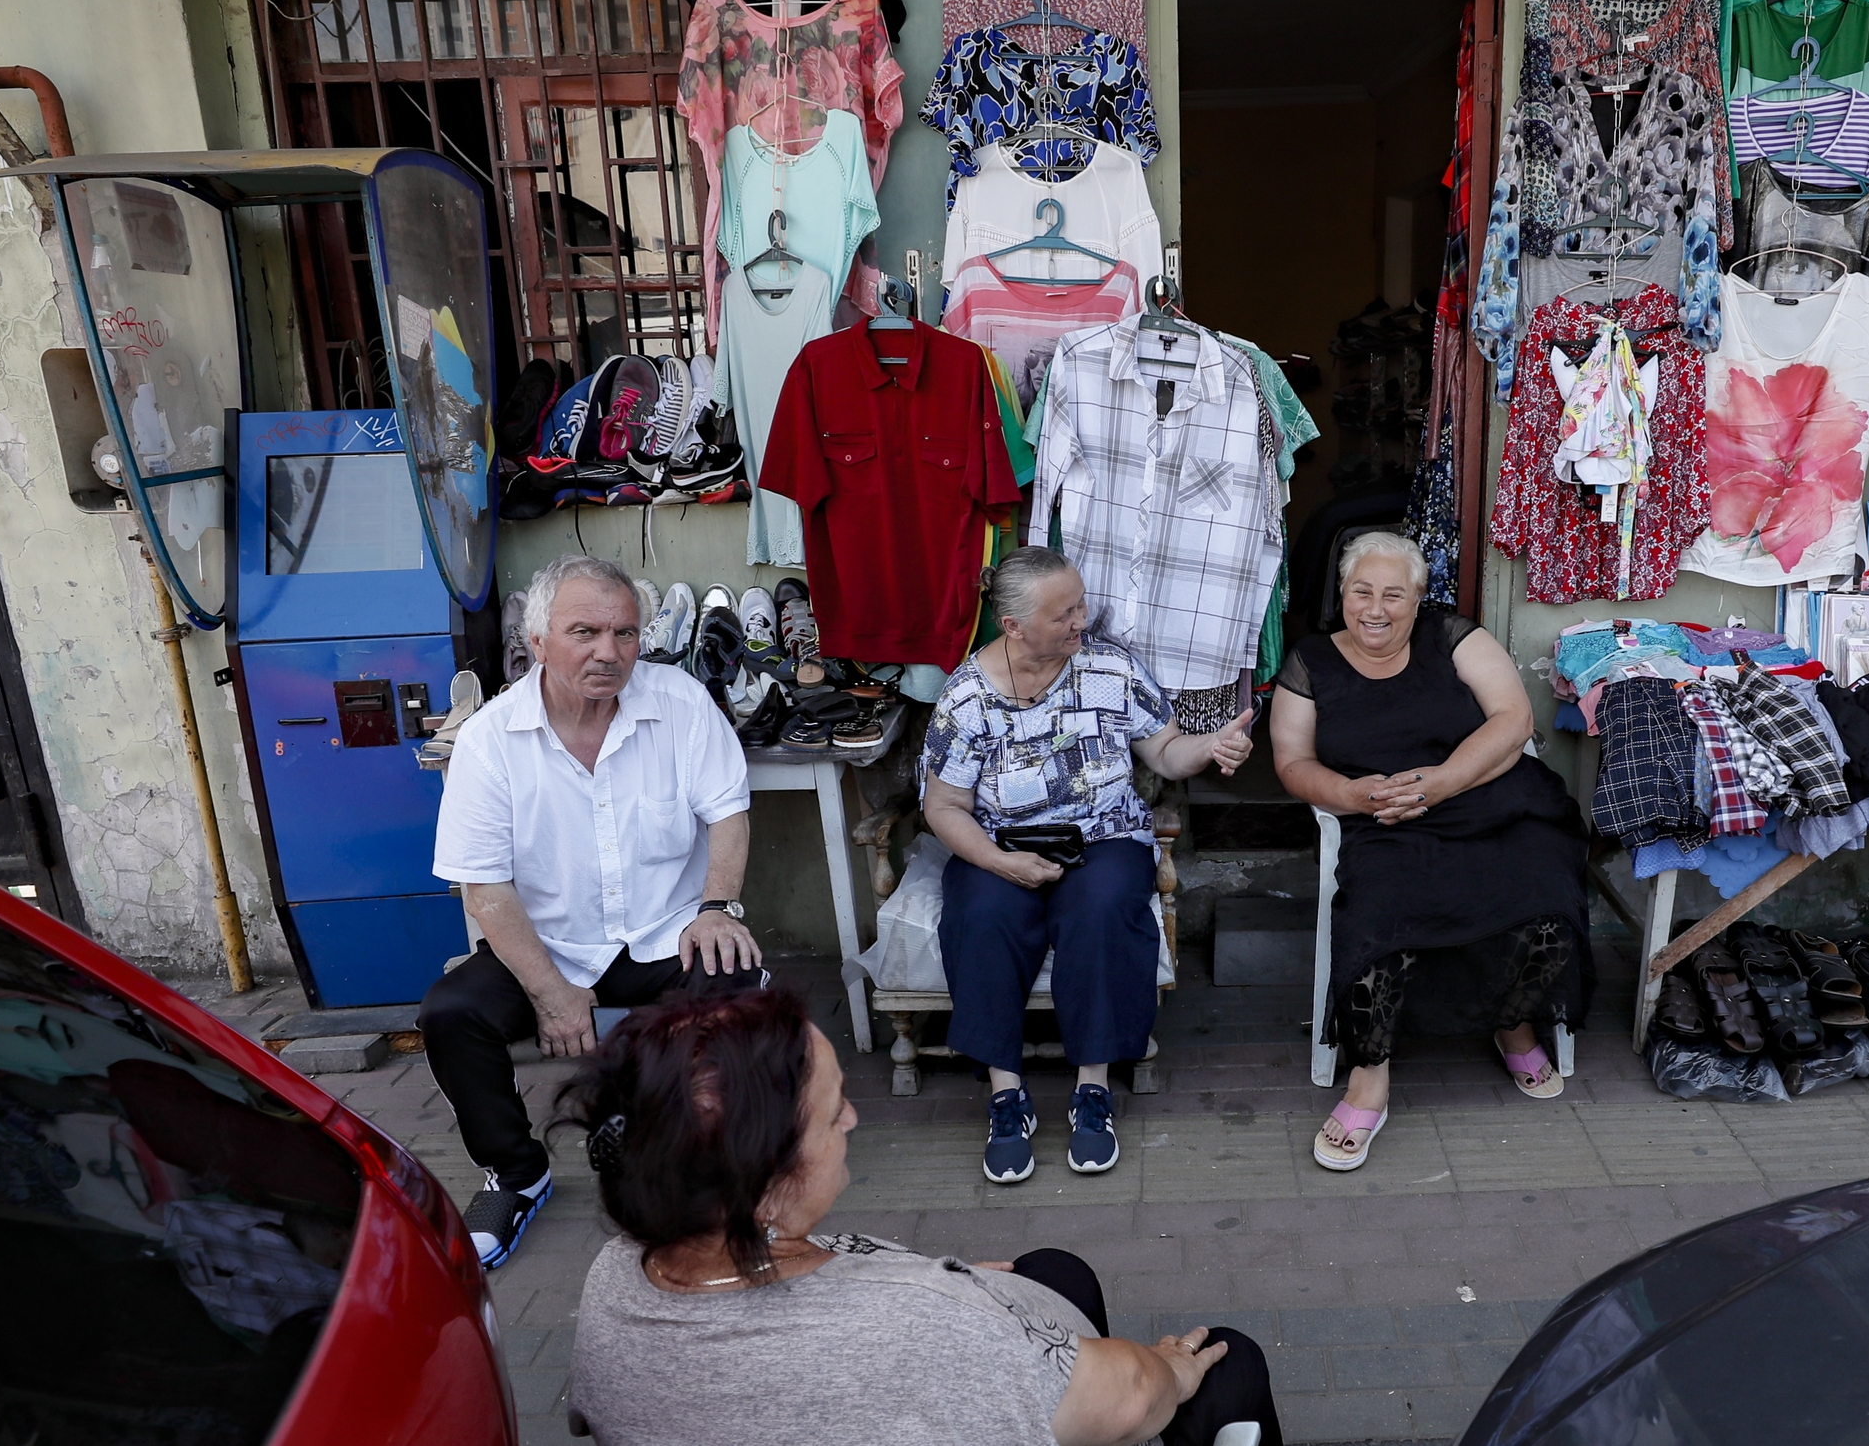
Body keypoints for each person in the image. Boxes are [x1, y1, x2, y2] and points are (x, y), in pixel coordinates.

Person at [563, 988, 1285, 1446]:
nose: (853, 1116)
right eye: (830, 1111)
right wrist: (1167, 1367)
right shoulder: (919, 1326)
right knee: (1228, 1362)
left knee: (1056, 1273)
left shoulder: (620, 1273)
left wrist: (951, 1286)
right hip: (946, 1342)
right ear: (763, 1191)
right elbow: (1129, 1399)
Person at [421, 553, 762, 1267]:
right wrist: (551, 993)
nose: (609, 652)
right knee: (453, 1012)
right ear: (538, 642)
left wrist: (717, 906)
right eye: (585, 632)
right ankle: (517, 1172)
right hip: (549, 943)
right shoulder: (489, 739)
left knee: (732, 982)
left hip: (665, 928)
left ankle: (707, 1165)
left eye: (626, 633)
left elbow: (727, 813)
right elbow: (484, 889)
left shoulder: (678, 703)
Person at [918, 546, 1255, 1184]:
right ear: (1012, 627)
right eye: (1064, 613)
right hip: (1001, 841)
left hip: (1103, 836)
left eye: (1081, 605)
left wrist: (1211, 746)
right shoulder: (966, 697)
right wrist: (1001, 862)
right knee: (981, 915)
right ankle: (1005, 1095)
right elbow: (945, 806)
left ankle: (1092, 1089)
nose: (1082, 620)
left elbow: (1164, 752)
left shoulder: (1110, 666)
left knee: (1101, 910)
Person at [1269, 532, 1592, 1171]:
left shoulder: (1453, 636)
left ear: (1419, 599)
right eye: (1362, 591)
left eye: (1395, 594)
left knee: (1544, 894)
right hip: (1383, 816)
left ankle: (1514, 1023)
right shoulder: (1310, 661)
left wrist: (1442, 781)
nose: (1376, 608)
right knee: (1378, 911)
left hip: (1488, 799)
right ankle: (1371, 1076)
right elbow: (1291, 761)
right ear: (1342, 594)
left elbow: (1512, 719)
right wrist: (1351, 795)